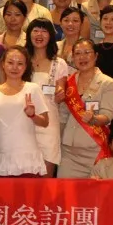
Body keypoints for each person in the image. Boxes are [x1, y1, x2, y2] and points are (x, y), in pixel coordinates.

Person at [58, 39, 113, 178]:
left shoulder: (107, 83)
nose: (82, 57)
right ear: (73, 57)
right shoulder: (69, 82)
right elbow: (63, 116)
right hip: (68, 152)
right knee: (65, 191)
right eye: (78, 53)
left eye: (87, 52)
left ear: (96, 56)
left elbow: (108, 115)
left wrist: (94, 119)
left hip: (94, 150)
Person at [0, 46, 50, 177]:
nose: (15, 67)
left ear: (26, 66)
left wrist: (32, 115)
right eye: (10, 62)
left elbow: (45, 122)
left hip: (28, 158)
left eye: (20, 63)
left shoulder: (32, 89)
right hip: (2, 157)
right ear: (3, 64)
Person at [25, 19, 69, 176]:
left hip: (48, 124)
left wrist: (60, 93)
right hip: (23, 122)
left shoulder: (59, 63)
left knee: (46, 178)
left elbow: (60, 93)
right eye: (36, 30)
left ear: (51, 35)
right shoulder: (21, 60)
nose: (39, 35)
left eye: (44, 31)